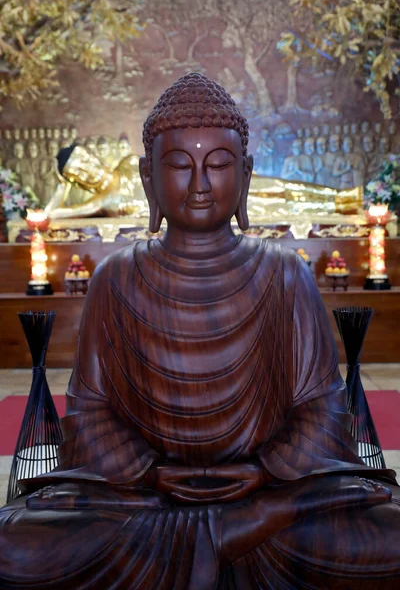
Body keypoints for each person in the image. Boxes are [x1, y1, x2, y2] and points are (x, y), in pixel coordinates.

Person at [0, 73, 399, 589]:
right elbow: (90, 417)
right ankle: (226, 536)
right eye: (180, 167)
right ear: (148, 180)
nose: (200, 186)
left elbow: (323, 412)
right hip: (146, 500)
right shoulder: (115, 278)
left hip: (266, 497)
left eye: (218, 165)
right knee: (14, 544)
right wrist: (149, 472)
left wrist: (264, 475)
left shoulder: (284, 275)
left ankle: (237, 531)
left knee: (388, 532)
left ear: (247, 176)